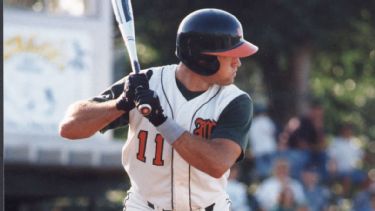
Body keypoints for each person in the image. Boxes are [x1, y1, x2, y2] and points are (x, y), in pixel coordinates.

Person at [59, 8, 258, 211]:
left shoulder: (235, 101)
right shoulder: (146, 83)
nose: (238, 62)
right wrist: (120, 103)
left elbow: (217, 164)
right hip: (144, 206)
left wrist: (161, 120)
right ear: (203, 59)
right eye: (230, 55)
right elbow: (69, 127)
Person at [248, 104, 278, 180]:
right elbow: (273, 132)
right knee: (273, 172)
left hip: (258, 151)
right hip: (269, 149)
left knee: (263, 174)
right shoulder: (266, 120)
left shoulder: (253, 123)